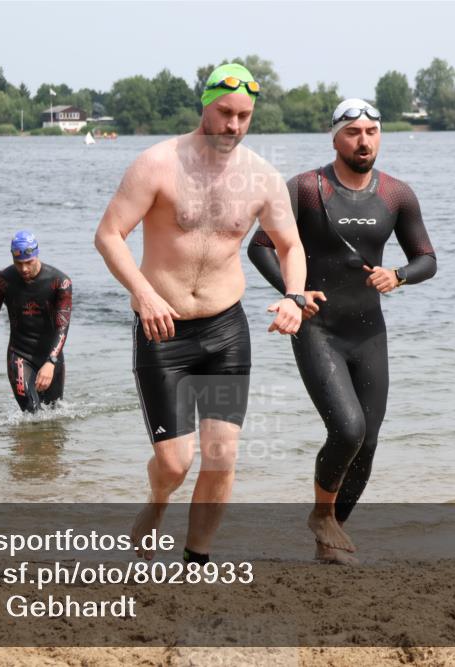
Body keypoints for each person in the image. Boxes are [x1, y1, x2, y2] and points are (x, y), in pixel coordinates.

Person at [94, 63, 307, 564]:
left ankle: (196, 560)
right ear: (205, 105)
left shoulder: (262, 177)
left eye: (244, 116)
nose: (233, 125)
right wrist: (144, 294)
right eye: (225, 112)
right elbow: (108, 235)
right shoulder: (157, 163)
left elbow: (291, 246)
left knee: (222, 457)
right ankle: (158, 501)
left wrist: (295, 297)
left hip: (225, 329)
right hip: (161, 329)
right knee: (174, 463)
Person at [248, 99, 437, 564]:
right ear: (335, 138)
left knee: (368, 442)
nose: (364, 140)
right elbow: (259, 247)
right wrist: (297, 293)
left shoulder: (397, 195)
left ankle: (330, 539)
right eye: (353, 132)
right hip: (318, 327)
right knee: (348, 429)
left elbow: (427, 259)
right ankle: (320, 514)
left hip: (369, 329)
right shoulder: (307, 189)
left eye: (372, 131)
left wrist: (399, 276)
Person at [0, 230, 73, 411]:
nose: (23, 269)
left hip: (51, 355)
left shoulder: (60, 282)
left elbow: (63, 326)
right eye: (18, 263)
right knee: (32, 413)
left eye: (28, 262)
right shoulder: (2, 281)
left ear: (37, 255)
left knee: (55, 414)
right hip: (19, 354)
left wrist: (51, 362)